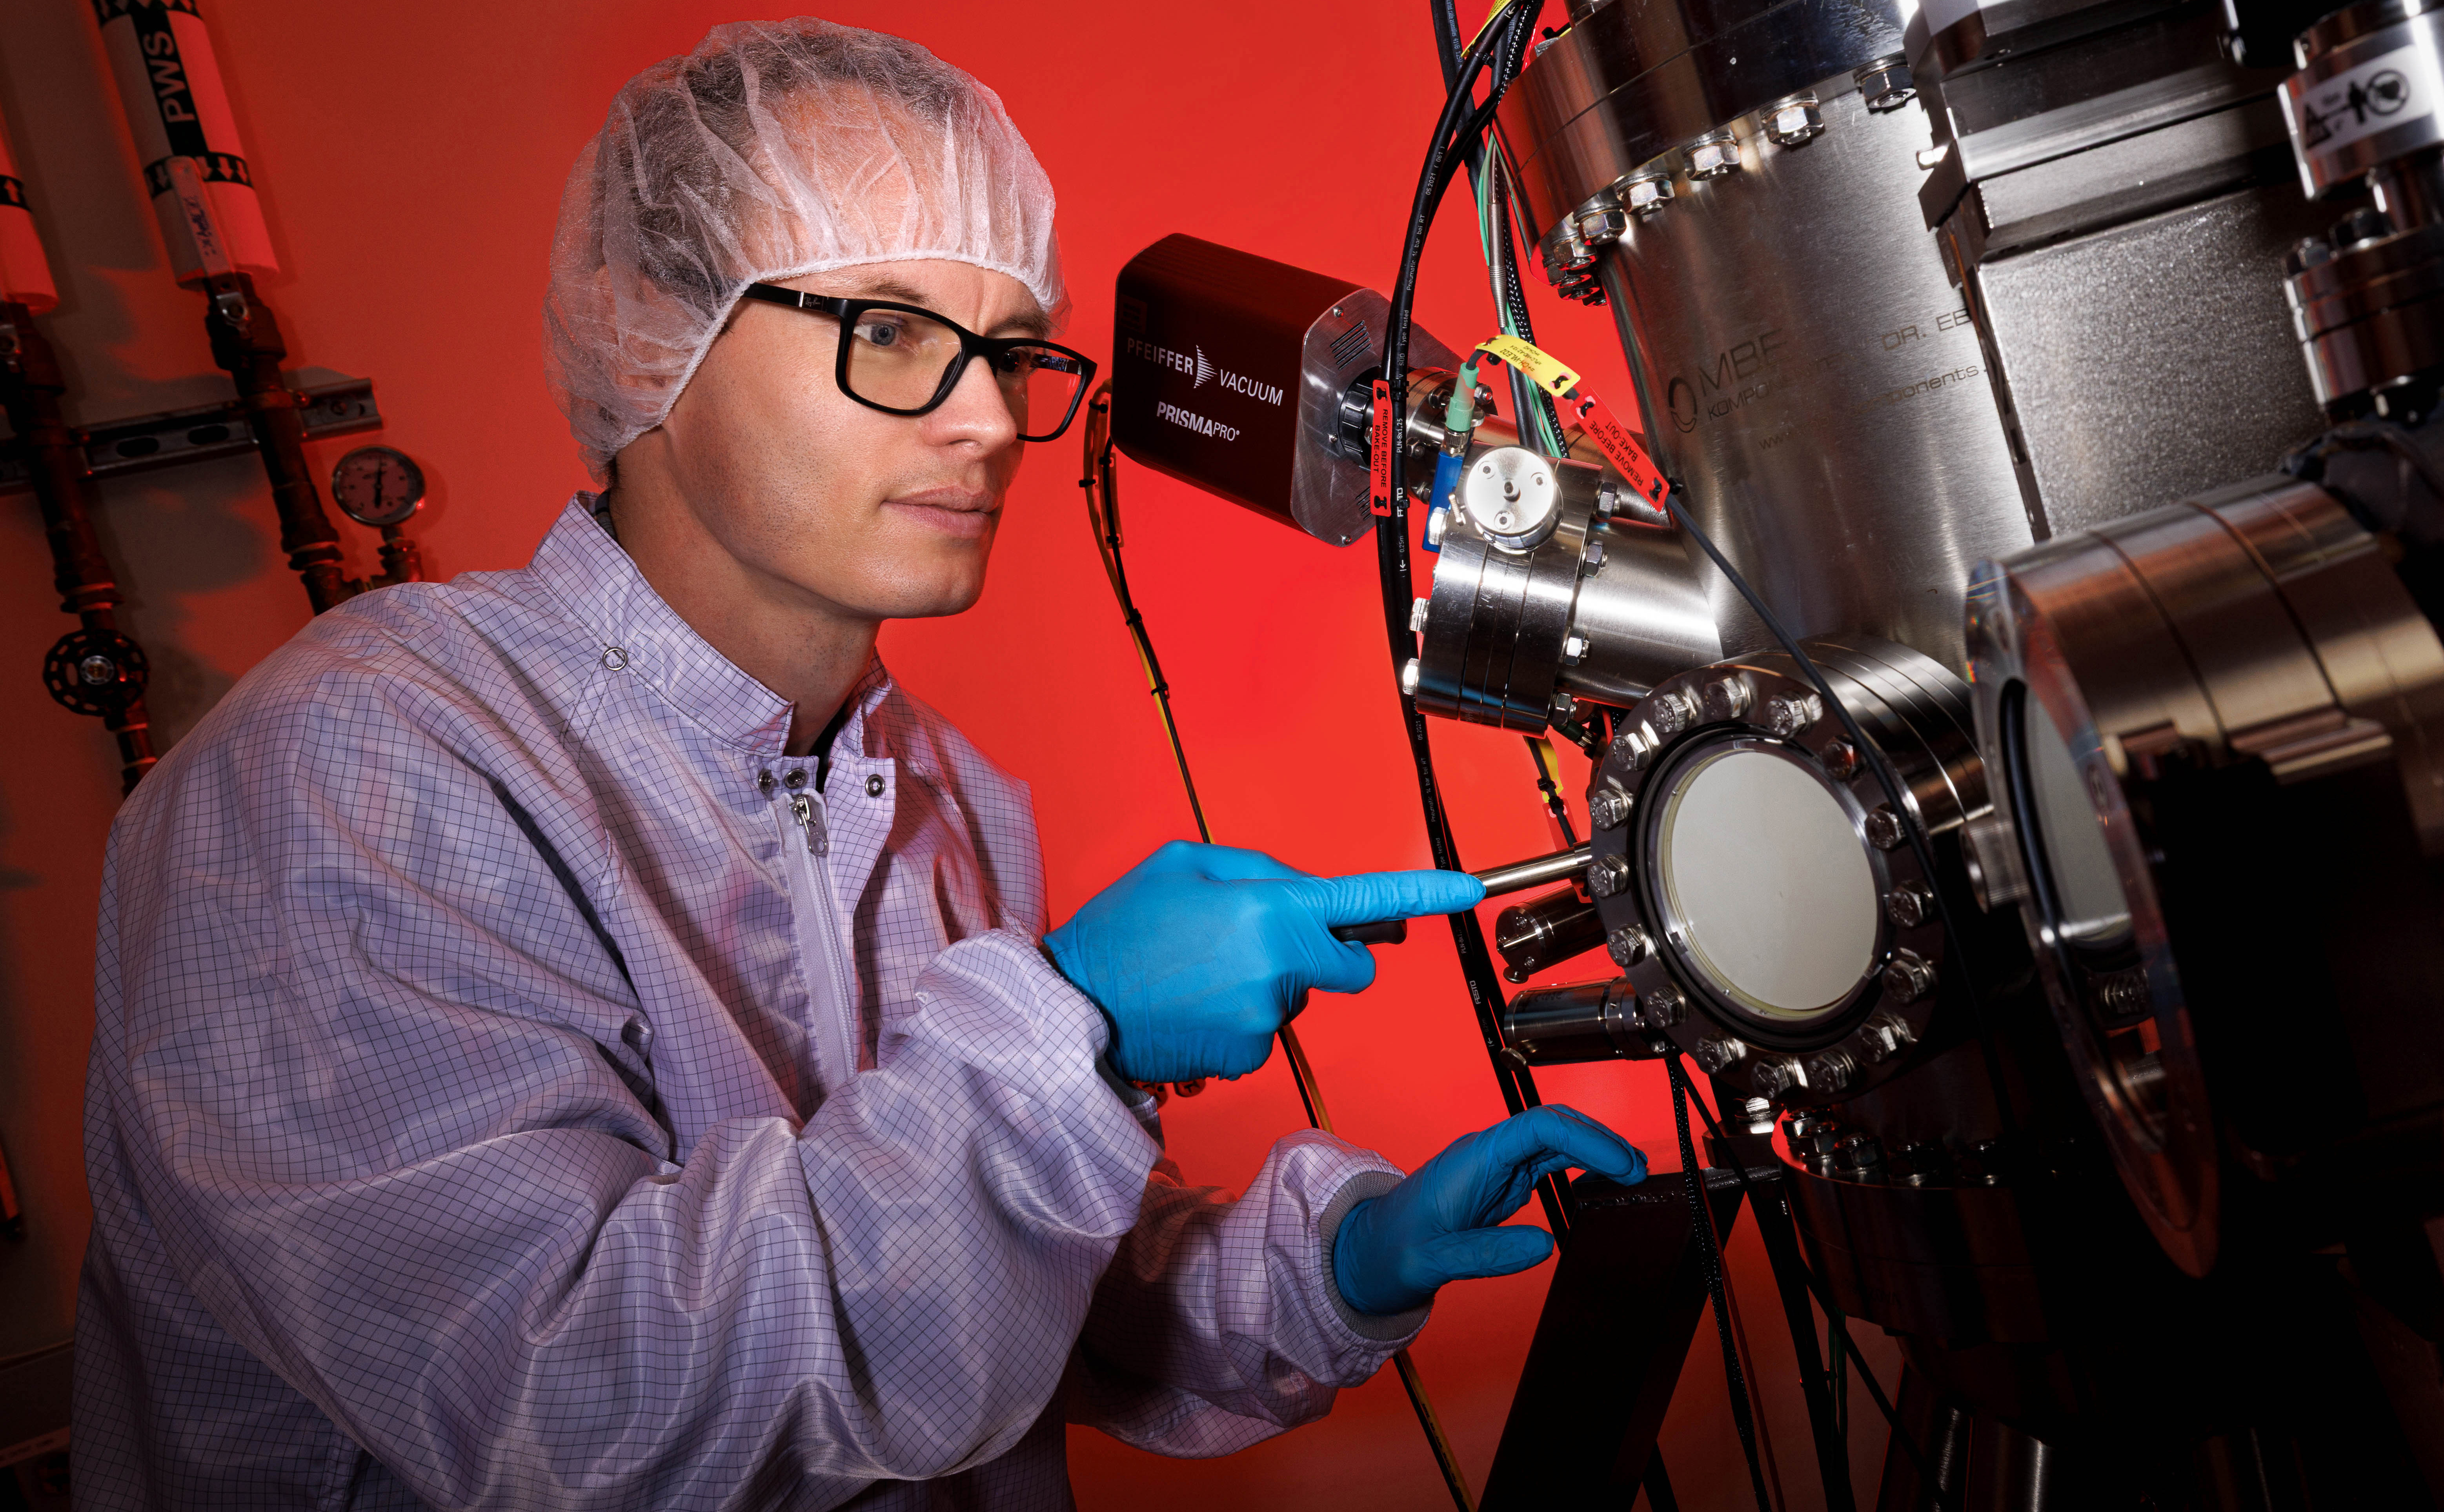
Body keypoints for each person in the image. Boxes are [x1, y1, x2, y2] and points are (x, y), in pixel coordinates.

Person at [71, 18, 1647, 1511]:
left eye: (1012, 348)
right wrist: (1074, 1029)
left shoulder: (933, 785)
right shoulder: (362, 770)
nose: (978, 414)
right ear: (658, 337)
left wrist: (1323, 1263)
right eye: (891, 330)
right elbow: (576, 1416)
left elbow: (975, 1292)